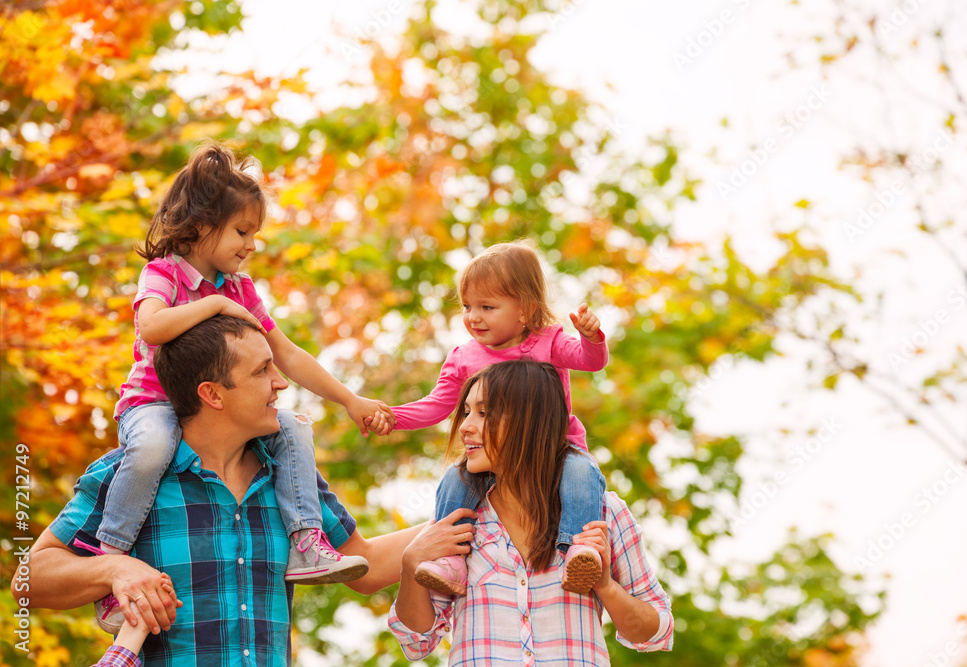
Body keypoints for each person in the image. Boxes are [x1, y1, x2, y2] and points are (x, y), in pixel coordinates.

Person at [17, 316, 471, 666]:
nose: (282, 383)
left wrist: (473, 514)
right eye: (262, 372)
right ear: (213, 394)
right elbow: (29, 580)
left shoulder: (292, 480)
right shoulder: (131, 476)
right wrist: (114, 569)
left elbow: (364, 565)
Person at [97, 140, 395, 626]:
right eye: (241, 231)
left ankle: (306, 542)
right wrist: (213, 306)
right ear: (199, 226)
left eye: (254, 233)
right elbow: (150, 327)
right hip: (154, 403)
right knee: (151, 449)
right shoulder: (164, 274)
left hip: (216, 412)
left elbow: (288, 353)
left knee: (295, 428)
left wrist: (349, 399)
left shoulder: (241, 288)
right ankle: (109, 558)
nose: (251, 244)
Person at [389, 360, 674, 665]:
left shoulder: (601, 513)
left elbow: (655, 633)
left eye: (484, 413)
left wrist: (605, 585)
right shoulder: (458, 520)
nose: (465, 427)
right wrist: (410, 563)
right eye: (467, 412)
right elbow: (417, 641)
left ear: (530, 421)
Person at [371, 240, 609, 595]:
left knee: (582, 474)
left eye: (487, 306)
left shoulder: (549, 341)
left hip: (552, 449)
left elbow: (591, 361)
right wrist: (393, 417)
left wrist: (591, 338)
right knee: (456, 480)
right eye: (467, 306)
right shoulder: (464, 357)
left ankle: (581, 551)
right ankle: (450, 560)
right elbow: (438, 404)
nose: (473, 316)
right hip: (493, 459)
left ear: (526, 310)